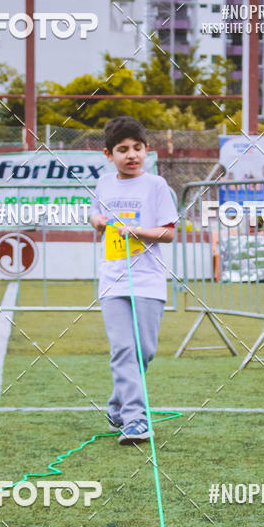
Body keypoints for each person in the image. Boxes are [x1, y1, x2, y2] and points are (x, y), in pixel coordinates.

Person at [90, 116, 178, 444]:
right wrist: (96, 220)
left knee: (144, 352)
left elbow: (168, 233)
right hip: (112, 281)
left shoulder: (156, 186)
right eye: (123, 149)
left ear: (147, 150)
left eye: (137, 148)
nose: (131, 155)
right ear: (108, 154)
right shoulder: (103, 185)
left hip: (149, 282)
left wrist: (137, 231)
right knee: (124, 349)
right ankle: (135, 420)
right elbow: (95, 214)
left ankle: (117, 403)